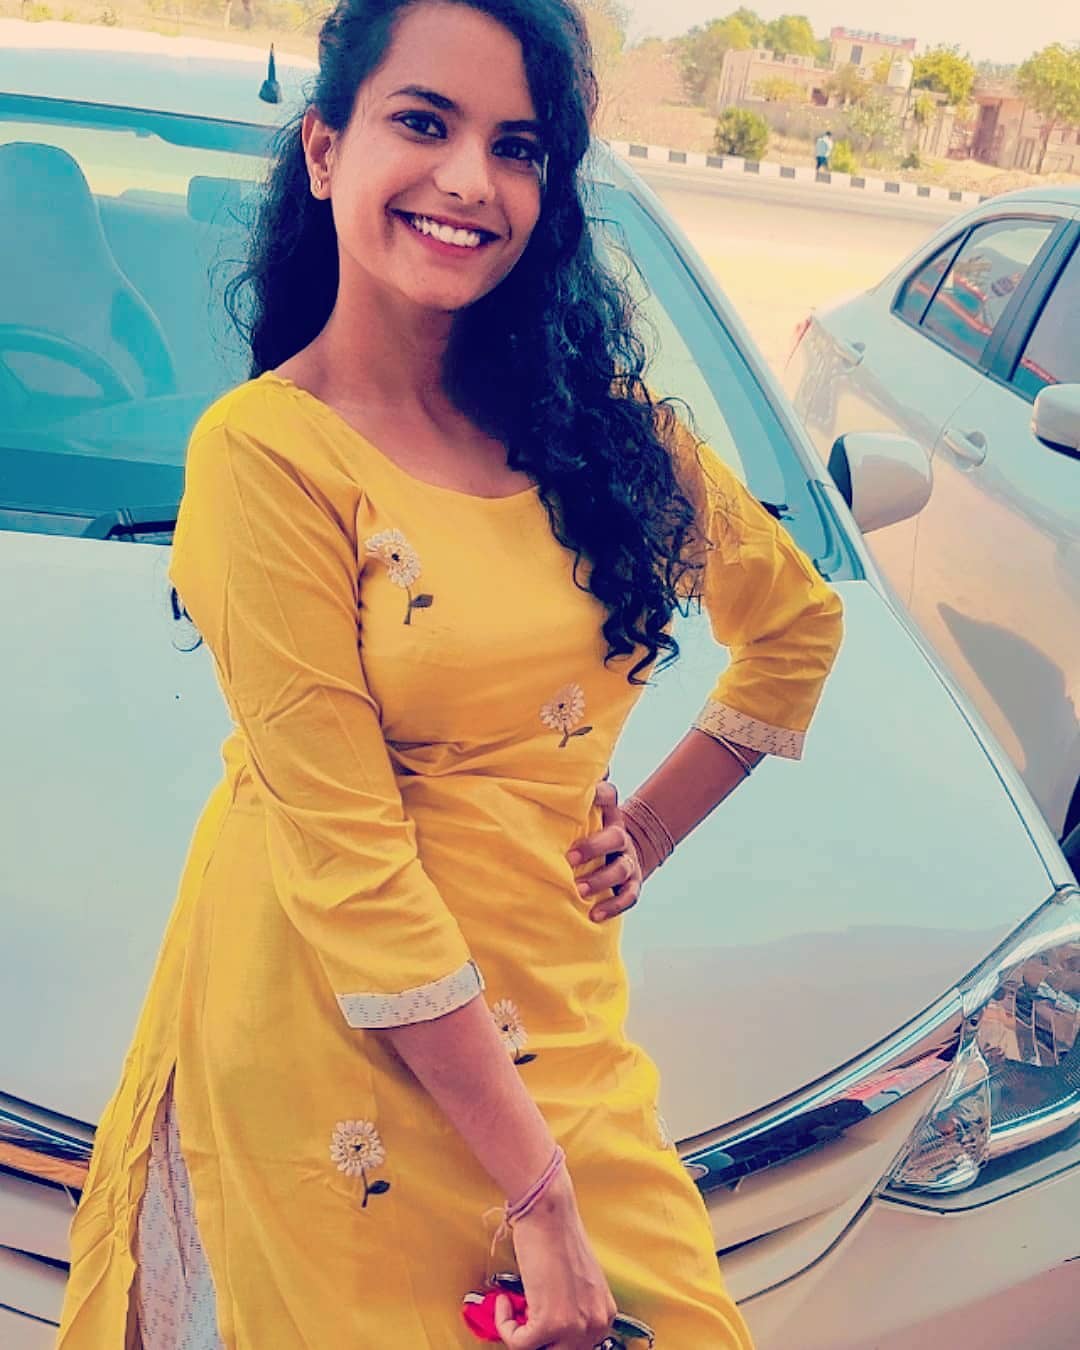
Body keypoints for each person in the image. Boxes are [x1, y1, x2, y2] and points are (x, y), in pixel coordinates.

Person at [58, 0, 843, 1346]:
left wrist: (652, 825)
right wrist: (539, 1195)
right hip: (333, 1033)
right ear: (325, 150)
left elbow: (796, 626)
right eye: (423, 122)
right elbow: (354, 867)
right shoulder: (268, 455)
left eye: (517, 146)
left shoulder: (607, 438)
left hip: (556, 1010)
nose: (471, 179)